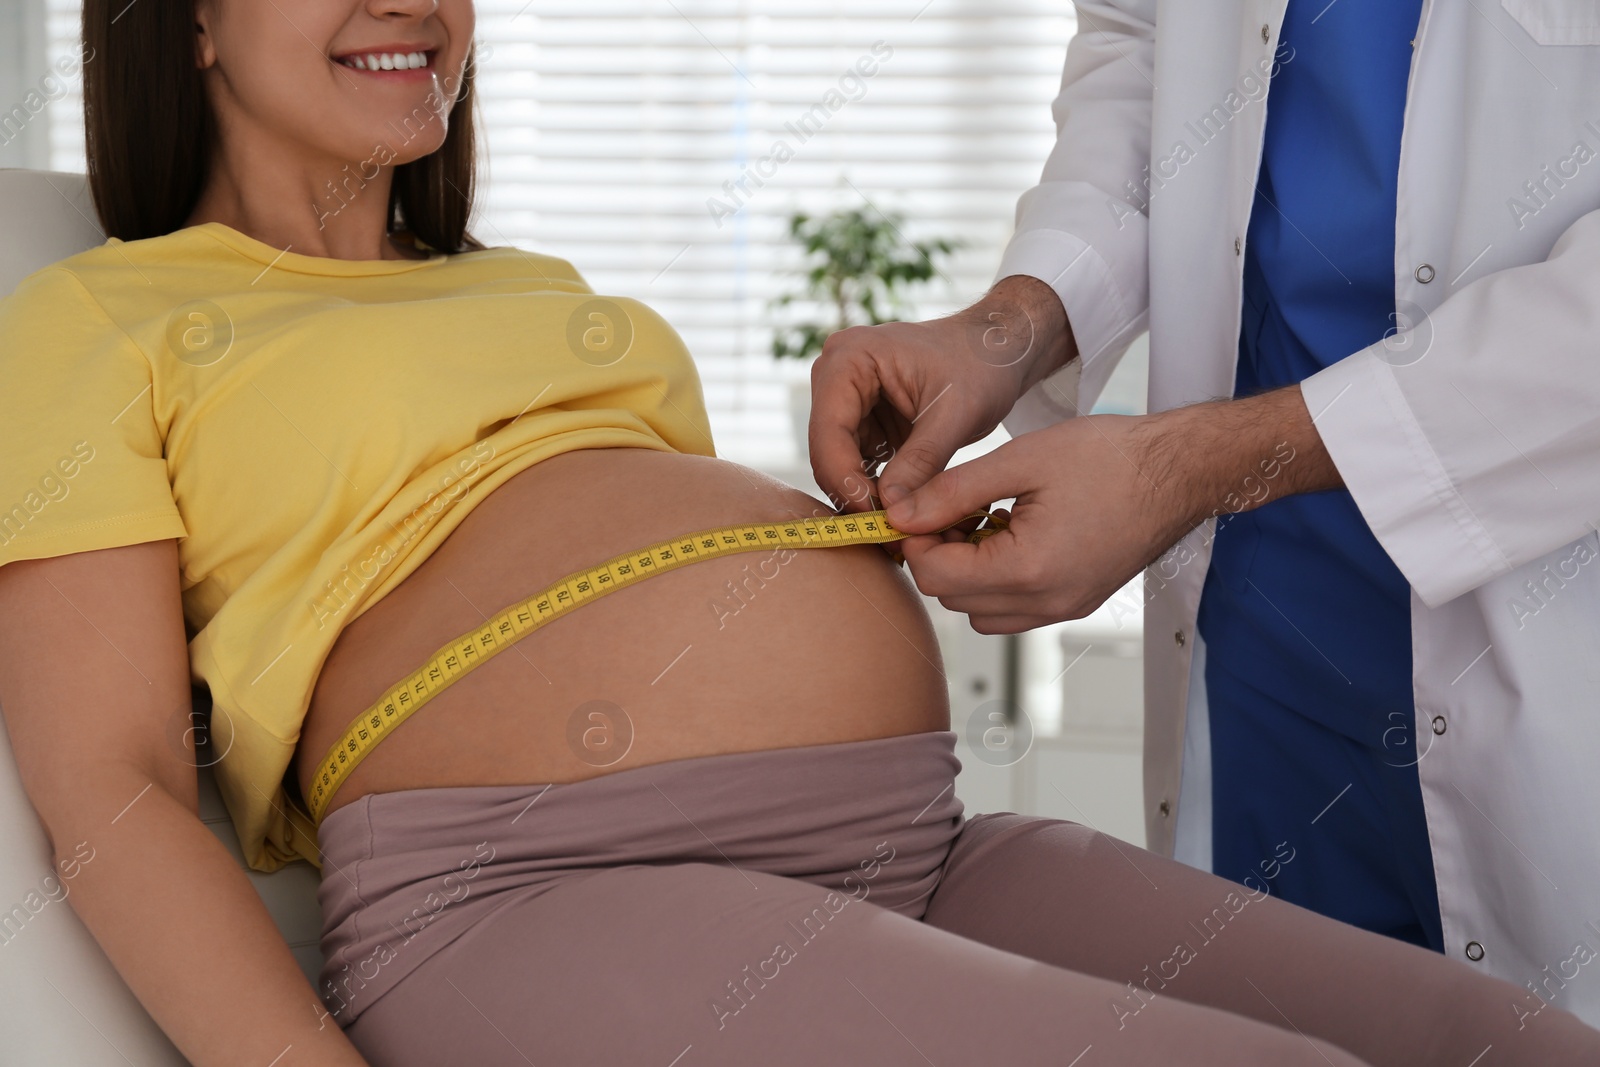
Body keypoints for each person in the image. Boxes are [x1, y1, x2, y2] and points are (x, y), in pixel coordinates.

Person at [1, 2, 1596, 1065]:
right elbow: (110, 777)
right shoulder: (102, 313)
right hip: (541, 885)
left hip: (909, 840)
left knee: (1508, 1043)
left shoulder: (537, 292)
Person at [809, 0, 1600, 1028]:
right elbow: (1147, 46)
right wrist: (1011, 324)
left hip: (1554, 637)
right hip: (1262, 639)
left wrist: (1188, 467)